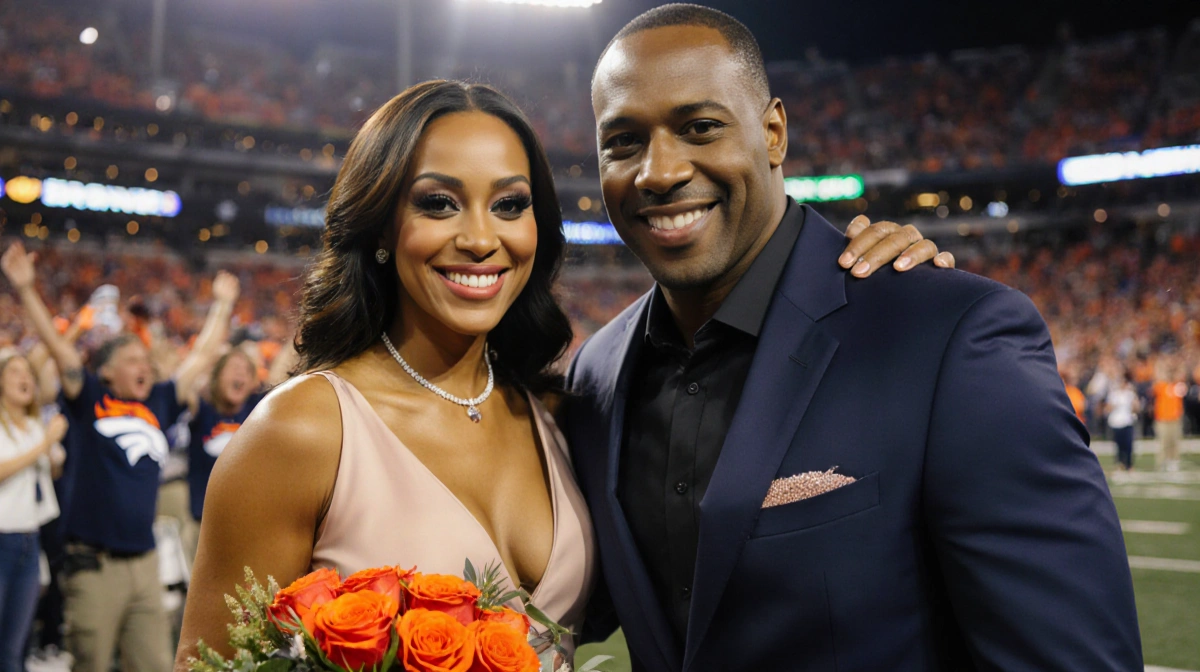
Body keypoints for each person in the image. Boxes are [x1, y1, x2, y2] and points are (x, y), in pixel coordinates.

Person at [173, 80, 949, 671]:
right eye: (439, 203)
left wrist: (862, 271)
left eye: (510, 205)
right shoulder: (301, 431)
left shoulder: (567, 408)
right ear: (381, 226)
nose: (481, 238)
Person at [564, 5, 1141, 670]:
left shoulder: (950, 337)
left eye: (699, 128)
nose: (658, 171)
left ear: (773, 132)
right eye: (624, 142)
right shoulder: (597, 376)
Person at [0, 245, 238, 672]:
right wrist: (26, 288)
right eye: (131, 360)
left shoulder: (161, 402)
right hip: (95, 566)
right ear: (106, 371)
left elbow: (201, 356)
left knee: (154, 664)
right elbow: (58, 349)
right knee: (90, 664)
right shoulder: (92, 397)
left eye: (145, 360)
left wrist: (222, 304)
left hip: (145, 563)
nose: (142, 366)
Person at [0, 354, 68, 672]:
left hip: (30, 538)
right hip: (2, 540)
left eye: (28, 372)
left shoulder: (32, 425)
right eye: (15, 372)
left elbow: (51, 472)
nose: (25, 377)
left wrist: (53, 453)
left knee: (17, 647)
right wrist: (45, 445)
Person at [1152, 359, 1186, 472]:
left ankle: (1173, 462)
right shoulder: (1161, 386)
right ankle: (1162, 462)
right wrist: (1164, 368)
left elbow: (1182, 374)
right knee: (1163, 442)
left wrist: (1176, 368)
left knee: (1174, 442)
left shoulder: (1178, 386)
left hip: (1175, 419)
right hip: (1162, 419)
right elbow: (1158, 374)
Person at [1106, 371, 1140, 474]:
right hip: (1116, 422)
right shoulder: (1113, 394)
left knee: (1128, 445)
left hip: (1127, 421)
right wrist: (1114, 406)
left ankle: (1129, 465)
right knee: (1118, 445)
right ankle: (1120, 463)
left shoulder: (1130, 394)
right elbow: (1107, 408)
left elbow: (1136, 408)